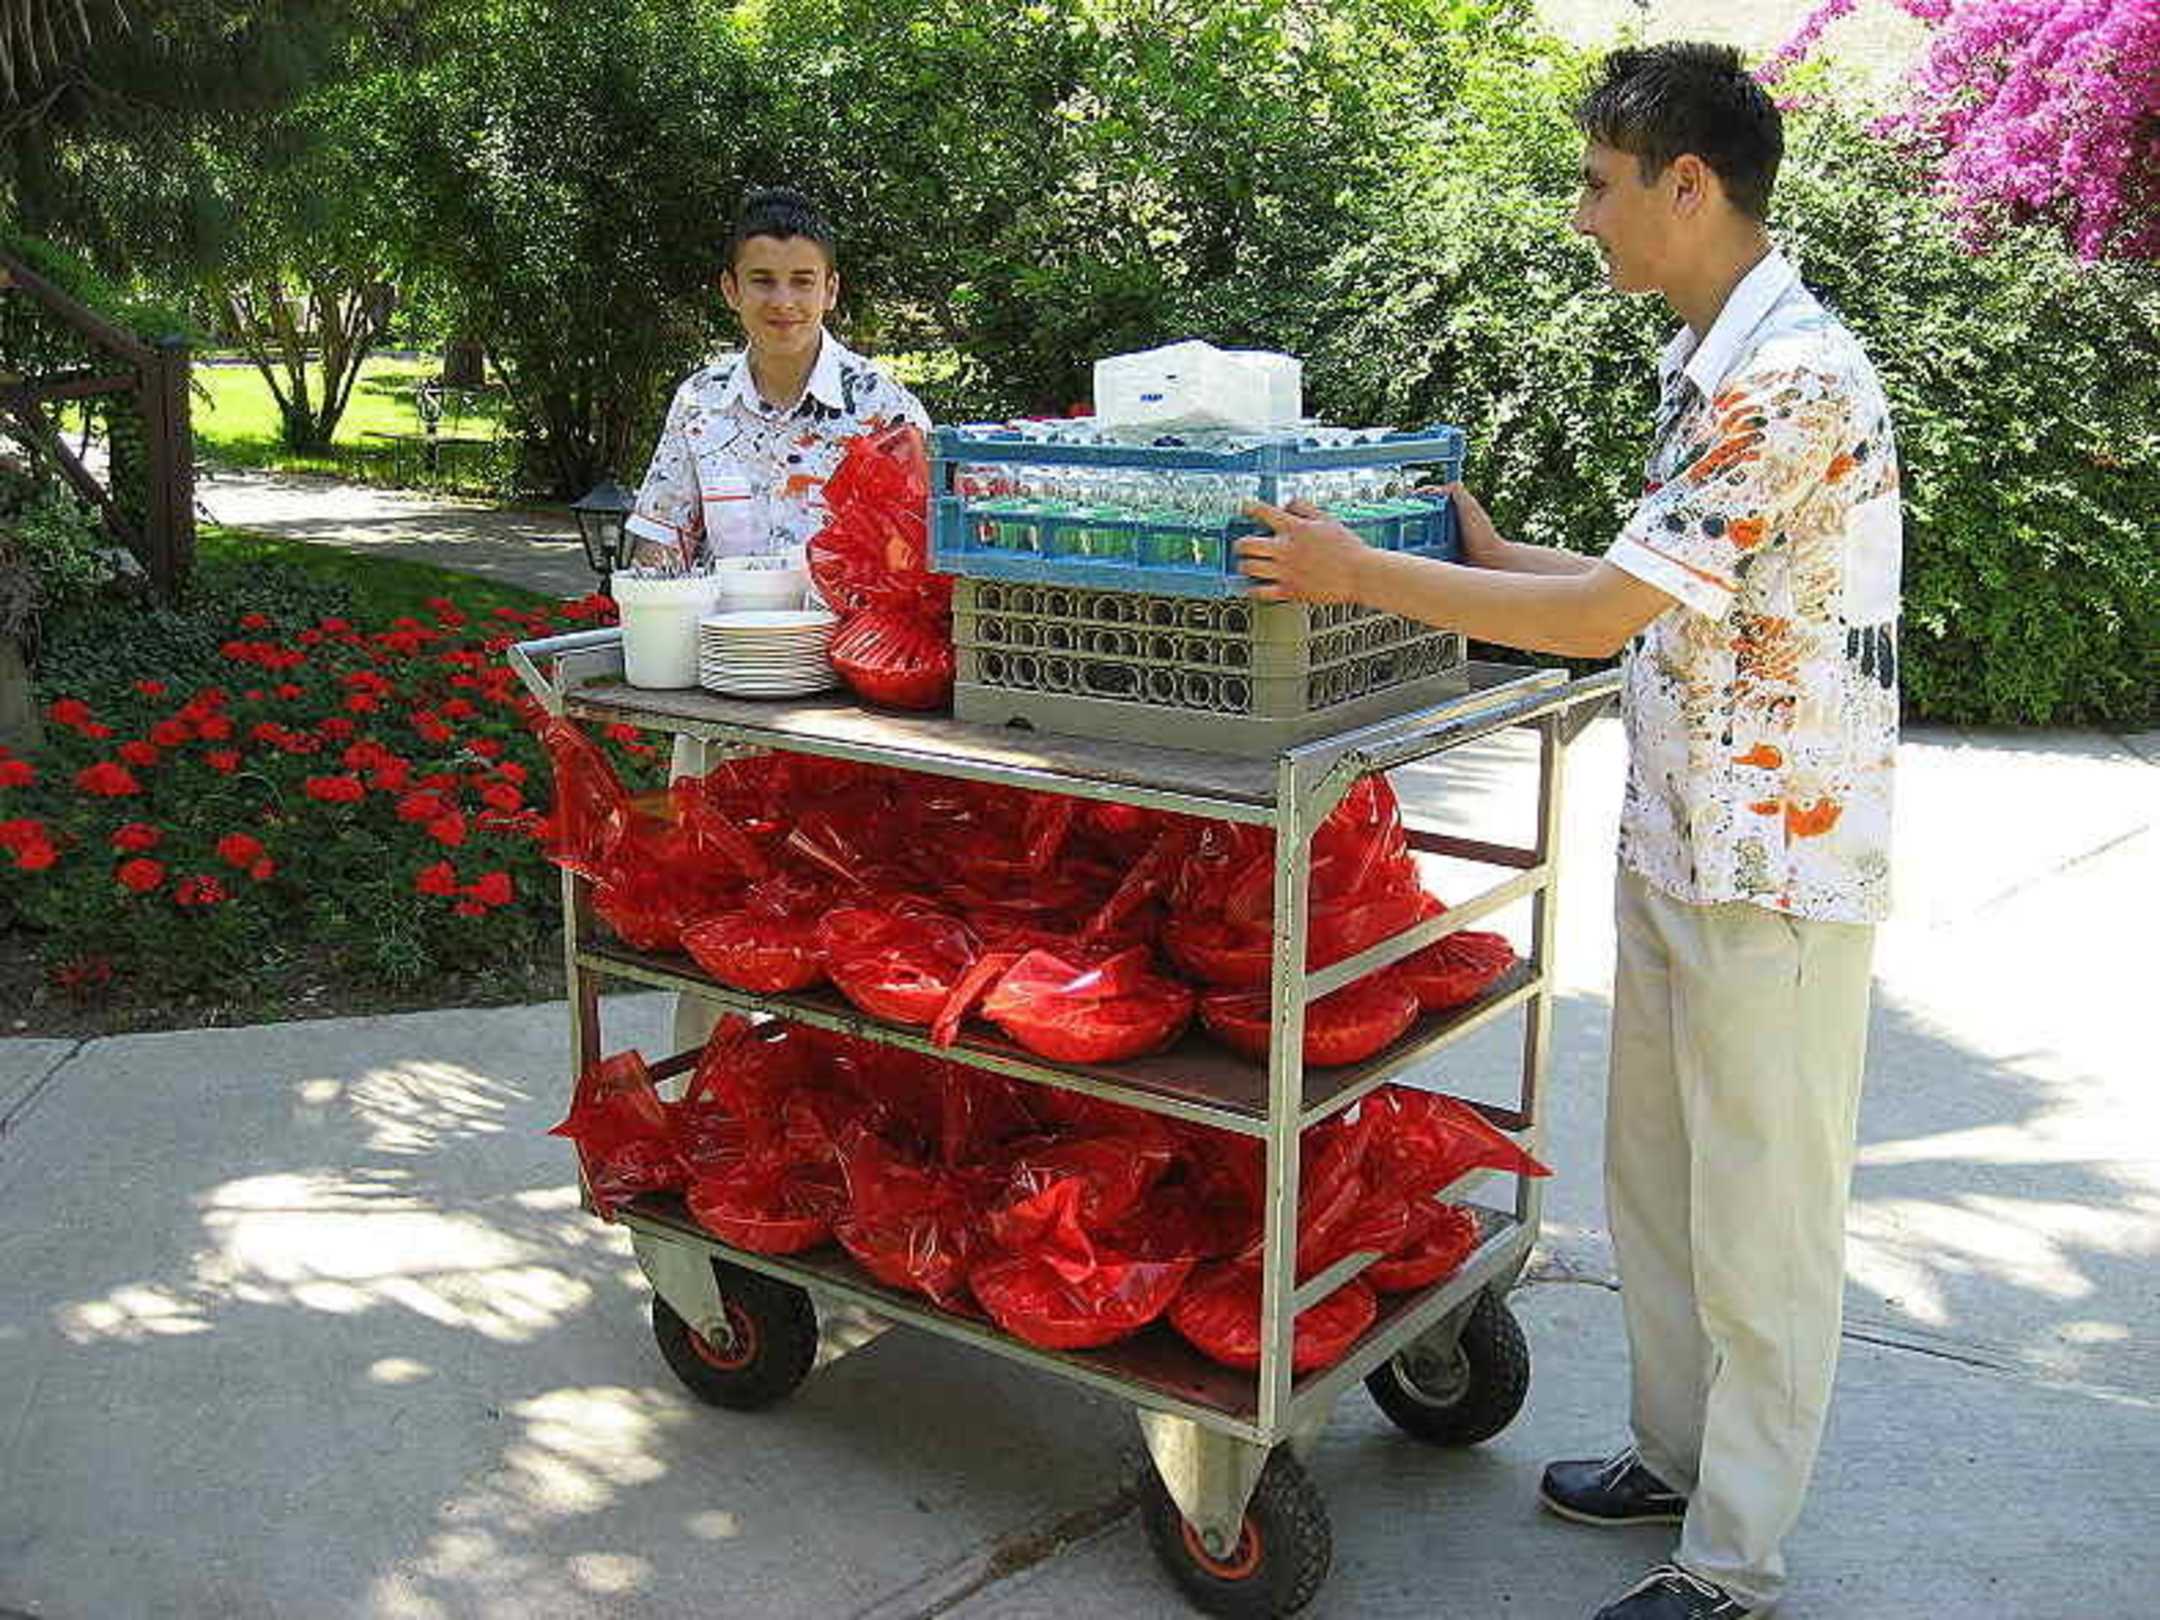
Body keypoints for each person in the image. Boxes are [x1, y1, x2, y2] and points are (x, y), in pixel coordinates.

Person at [1235, 43, 1899, 1620]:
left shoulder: (1795, 379)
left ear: (1690, 183)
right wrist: (1478, 554)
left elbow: (1599, 618)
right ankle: (1674, 1460)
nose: (1585, 215)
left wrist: (1359, 576)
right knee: (1660, 1188)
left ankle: (1732, 1563)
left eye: (1602, 184)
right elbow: (1648, 591)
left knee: (1764, 1221)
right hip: (1682, 837)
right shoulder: (1711, 361)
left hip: (1775, 867)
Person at [624, 186, 929, 1053]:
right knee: (713, 911)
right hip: (721, 701)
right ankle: (709, 1092)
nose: (783, 301)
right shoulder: (699, 402)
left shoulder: (883, 406)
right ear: (731, 290)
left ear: (832, 289)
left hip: (847, 713)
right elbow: (659, 540)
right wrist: (653, 622)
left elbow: (923, 563)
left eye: (802, 281)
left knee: (846, 924)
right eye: (763, 280)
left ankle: (835, 1097)